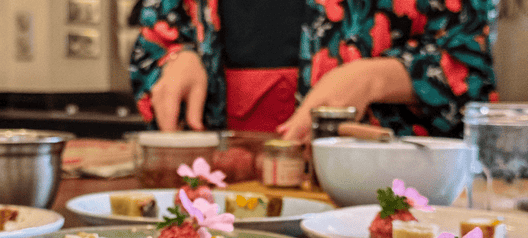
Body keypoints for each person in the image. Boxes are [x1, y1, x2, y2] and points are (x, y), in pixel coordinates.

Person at [129, 1, 498, 140]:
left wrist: (376, 78)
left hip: (369, 208)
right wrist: (177, 58)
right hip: (213, 202)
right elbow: (152, 46)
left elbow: (471, 68)